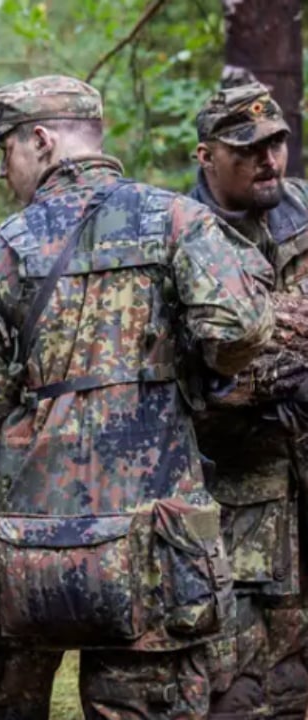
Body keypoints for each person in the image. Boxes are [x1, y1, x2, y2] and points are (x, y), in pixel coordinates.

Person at [0, 75, 275, 719]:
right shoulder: (177, 219)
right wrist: (200, 376)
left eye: (6, 152)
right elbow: (237, 330)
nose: (4, 171)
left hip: (30, 540)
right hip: (154, 541)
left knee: (1, 704)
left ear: (41, 141)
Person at [188, 82, 308, 720]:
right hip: (234, 503)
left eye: (277, 143)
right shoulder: (181, 237)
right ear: (205, 156)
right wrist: (267, 382)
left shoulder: (305, 212)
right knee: (237, 690)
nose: (270, 160)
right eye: (248, 149)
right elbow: (179, 373)